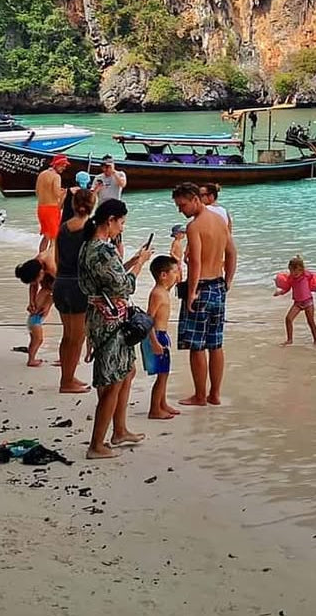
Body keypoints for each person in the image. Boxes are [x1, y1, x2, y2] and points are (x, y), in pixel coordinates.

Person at [78, 199, 153, 458]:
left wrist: (133, 259)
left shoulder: (92, 247)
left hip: (102, 316)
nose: (121, 228)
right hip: (108, 320)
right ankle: (96, 444)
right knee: (112, 381)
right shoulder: (101, 250)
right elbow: (124, 286)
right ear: (110, 220)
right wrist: (141, 264)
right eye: (120, 223)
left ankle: (119, 430)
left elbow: (112, 276)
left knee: (127, 371)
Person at [172, 183, 237, 406]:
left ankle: (200, 395)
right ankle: (215, 394)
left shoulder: (194, 226)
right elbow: (231, 253)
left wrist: (191, 293)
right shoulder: (220, 220)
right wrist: (227, 280)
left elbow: (196, 262)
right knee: (216, 344)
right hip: (218, 286)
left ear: (194, 200)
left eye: (182, 205)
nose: (181, 210)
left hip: (201, 287)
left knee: (197, 346)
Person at [53, 183, 96, 394]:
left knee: (67, 335)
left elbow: (57, 258)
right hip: (79, 285)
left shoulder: (63, 228)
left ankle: (67, 377)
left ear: (73, 203)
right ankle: (67, 381)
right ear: (92, 206)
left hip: (61, 282)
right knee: (77, 337)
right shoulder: (91, 229)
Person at [144, 256, 180, 420]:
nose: (177, 273)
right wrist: (154, 342)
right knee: (162, 375)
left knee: (165, 372)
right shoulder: (157, 294)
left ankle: (162, 403)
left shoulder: (164, 290)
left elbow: (174, 283)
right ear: (163, 275)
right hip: (157, 335)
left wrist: (180, 268)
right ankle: (154, 409)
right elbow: (149, 318)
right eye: (174, 271)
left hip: (162, 335)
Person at [274, 255, 316, 345]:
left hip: (308, 302)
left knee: (310, 321)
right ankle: (289, 340)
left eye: (298, 270)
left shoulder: (306, 275)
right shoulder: (291, 279)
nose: (295, 273)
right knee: (288, 319)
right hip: (297, 303)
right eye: (292, 270)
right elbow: (287, 288)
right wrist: (280, 292)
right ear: (290, 269)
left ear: (302, 269)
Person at [34, 154, 68, 255]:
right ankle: (50, 260)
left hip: (41, 208)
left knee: (46, 236)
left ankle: (41, 257)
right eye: (63, 165)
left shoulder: (42, 174)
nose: (64, 168)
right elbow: (57, 193)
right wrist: (65, 192)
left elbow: (37, 192)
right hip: (51, 209)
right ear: (57, 164)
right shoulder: (56, 176)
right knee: (54, 238)